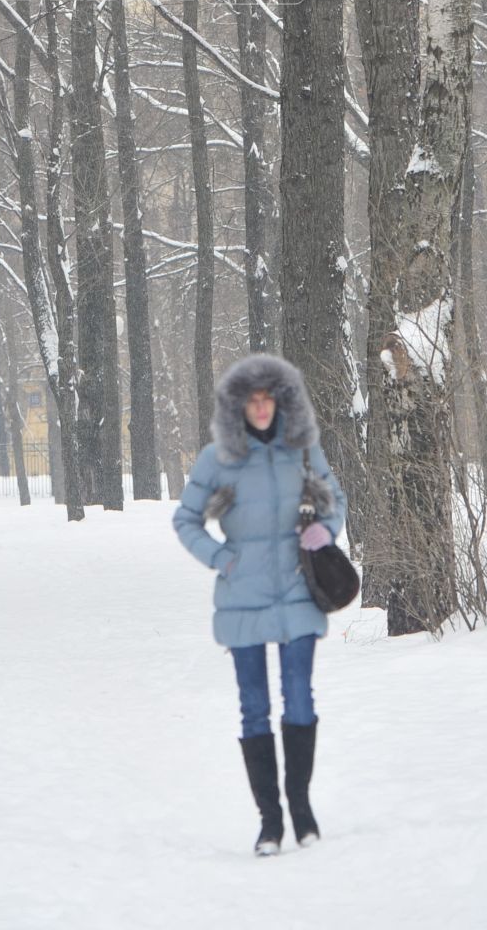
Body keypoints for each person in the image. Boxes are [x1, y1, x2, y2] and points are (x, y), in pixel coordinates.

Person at [173, 352, 347, 856]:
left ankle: (301, 806)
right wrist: (222, 558)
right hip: (242, 599)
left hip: (297, 593)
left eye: (269, 397)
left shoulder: (304, 450)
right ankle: (269, 820)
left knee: (300, 697)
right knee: (254, 708)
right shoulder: (218, 459)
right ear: (239, 407)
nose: (262, 407)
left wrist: (322, 532)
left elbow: (335, 501)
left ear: (282, 401)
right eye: (253, 400)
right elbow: (186, 520)